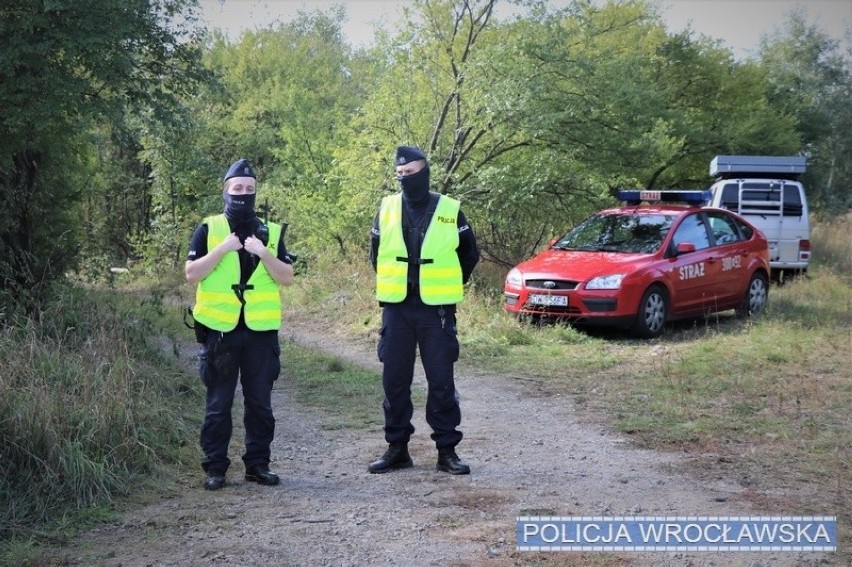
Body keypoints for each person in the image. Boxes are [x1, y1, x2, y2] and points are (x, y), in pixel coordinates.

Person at [368, 145, 480, 475]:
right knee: (394, 381)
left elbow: (469, 255)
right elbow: (376, 255)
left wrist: (441, 284)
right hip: (397, 308)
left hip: (437, 310)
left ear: (425, 171)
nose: (406, 178)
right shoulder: (387, 208)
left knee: (441, 381)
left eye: (411, 173)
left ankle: (447, 451)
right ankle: (397, 448)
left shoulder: (449, 209)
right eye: (400, 174)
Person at [186, 158, 294, 491]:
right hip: (220, 332)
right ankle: (215, 468)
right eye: (237, 188)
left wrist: (264, 253)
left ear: (255, 192)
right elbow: (192, 274)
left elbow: (287, 277)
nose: (243, 194)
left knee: (260, 404)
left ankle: (258, 466)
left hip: (261, 333)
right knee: (218, 405)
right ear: (226, 190)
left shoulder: (271, 232)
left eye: (249, 189)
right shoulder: (208, 228)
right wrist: (222, 249)